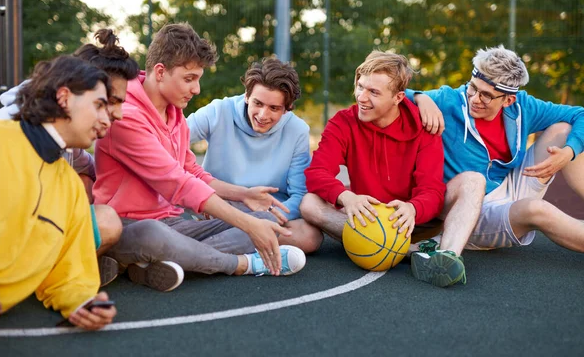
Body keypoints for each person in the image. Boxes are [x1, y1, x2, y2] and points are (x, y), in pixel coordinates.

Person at [93, 23, 306, 293]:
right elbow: (177, 183)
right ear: (160, 72)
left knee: (266, 219)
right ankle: (242, 264)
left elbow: (192, 171)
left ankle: (160, 262)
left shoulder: (174, 112)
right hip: (129, 226)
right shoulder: (125, 114)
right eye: (189, 78)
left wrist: (243, 195)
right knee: (154, 235)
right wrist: (248, 225)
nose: (196, 89)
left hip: (173, 224)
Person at [405, 45, 584, 287]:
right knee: (538, 210)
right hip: (471, 208)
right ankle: (449, 243)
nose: (474, 99)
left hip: (509, 187)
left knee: (563, 130)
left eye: (486, 95)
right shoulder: (449, 101)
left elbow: (580, 114)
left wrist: (568, 152)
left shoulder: (523, 107)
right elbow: (391, 96)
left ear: (509, 99)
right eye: (473, 88)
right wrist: (419, 96)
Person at [0, 29, 139, 286]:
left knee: (93, 201)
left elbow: (86, 167)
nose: (118, 114)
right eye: (106, 102)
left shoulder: (62, 135)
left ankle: (56, 276)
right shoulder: (4, 135)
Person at [0, 55, 117, 329]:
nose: (108, 120)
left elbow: (69, 274)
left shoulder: (71, 188)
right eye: (99, 105)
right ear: (64, 97)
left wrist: (82, 303)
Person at [299, 51, 449, 278]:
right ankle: (407, 252)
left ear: (398, 98)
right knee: (309, 204)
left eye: (373, 92)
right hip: (367, 219)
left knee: (467, 182)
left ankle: (416, 248)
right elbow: (316, 172)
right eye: (360, 87)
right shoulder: (343, 122)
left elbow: (432, 190)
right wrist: (345, 196)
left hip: (409, 223)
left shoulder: (424, 127)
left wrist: (413, 208)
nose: (361, 97)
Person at [186, 57, 323, 253]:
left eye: (274, 108)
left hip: (269, 211)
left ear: (287, 109)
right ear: (247, 96)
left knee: (310, 236)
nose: (263, 115)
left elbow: (299, 195)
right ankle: (243, 248)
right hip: (222, 206)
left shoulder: (298, 130)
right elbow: (172, 138)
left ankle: (195, 249)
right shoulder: (218, 111)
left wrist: (263, 217)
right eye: (258, 103)